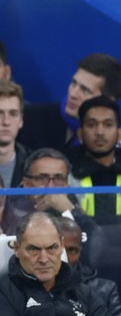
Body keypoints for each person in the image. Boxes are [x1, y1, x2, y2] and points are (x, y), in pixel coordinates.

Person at [17, 148, 103, 269]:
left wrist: (69, 210)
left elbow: (96, 246)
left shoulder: (72, 206)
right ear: (26, 184)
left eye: (58, 179)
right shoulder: (12, 209)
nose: (51, 187)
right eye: (42, 178)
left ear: (67, 183)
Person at [19, 53, 121, 153]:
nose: (73, 94)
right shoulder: (30, 118)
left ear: (107, 101)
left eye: (85, 90)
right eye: (74, 83)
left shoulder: (116, 139)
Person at [57, 217, 121, 316]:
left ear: (80, 251)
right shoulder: (23, 289)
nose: (64, 258)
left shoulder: (105, 290)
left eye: (72, 251)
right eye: (56, 249)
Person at [68, 96, 121, 226]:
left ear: (119, 134)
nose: (100, 132)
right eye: (91, 125)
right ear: (80, 134)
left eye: (108, 124)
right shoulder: (66, 172)